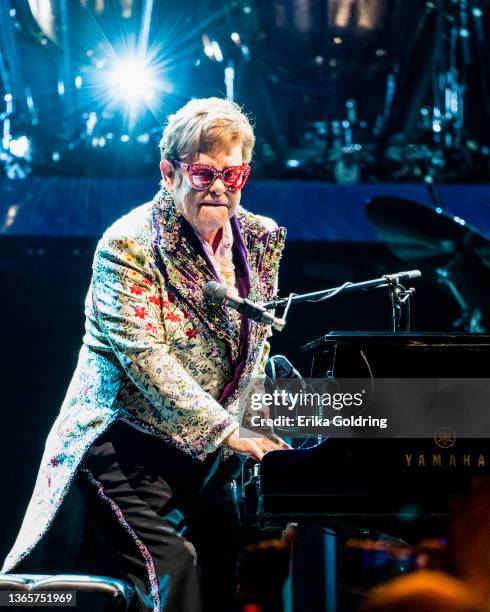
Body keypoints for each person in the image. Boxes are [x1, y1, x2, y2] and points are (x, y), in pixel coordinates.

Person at [1, 97, 288, 611]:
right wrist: (230, 431)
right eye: (203, 174)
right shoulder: (128, 244)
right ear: (169, 172)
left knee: (227, 570)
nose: (220, 188)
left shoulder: (261, 237)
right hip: (120, 444)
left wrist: (255, 423)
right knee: (175, 568)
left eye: (234, 174)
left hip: (205, 452)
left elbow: (252, 346)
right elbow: (146, 358)